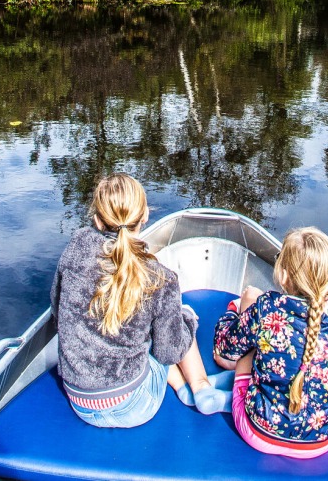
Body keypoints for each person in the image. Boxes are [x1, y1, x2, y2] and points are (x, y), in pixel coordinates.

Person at [51, 173, 231, 427]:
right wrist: (188, 319)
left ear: (98, 220)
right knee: (175, 322)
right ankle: (200, 387)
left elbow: (57, 310)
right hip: (135, 406)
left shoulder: (75, 249)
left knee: (150, 328)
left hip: (79, 400)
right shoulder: (160, 278)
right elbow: (169, 353)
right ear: (145, 215)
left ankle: (185, 388)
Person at [212, 226, 328, 458]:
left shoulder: (268, 307)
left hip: (259, 432)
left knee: (255, 336)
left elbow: (225, 346)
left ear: (284, 275)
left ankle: (235, 376)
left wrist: (234, 312)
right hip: (320, 442)